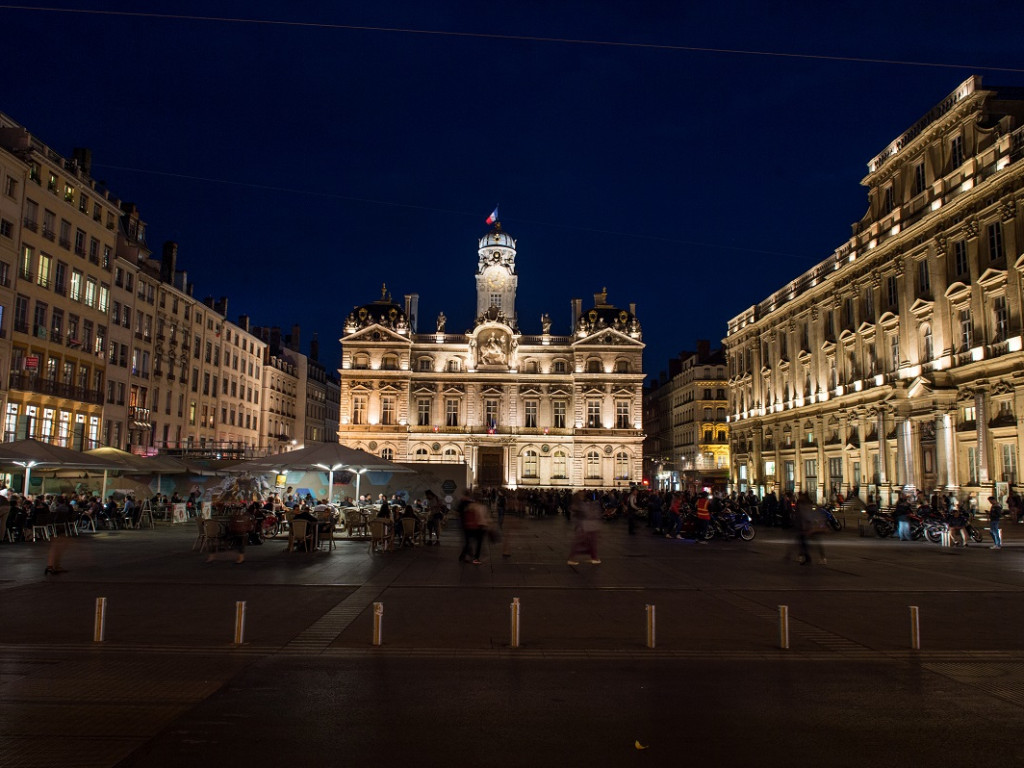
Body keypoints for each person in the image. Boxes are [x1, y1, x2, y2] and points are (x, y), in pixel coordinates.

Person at [567, 491, 601, 565]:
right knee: (585, 543)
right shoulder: (579, 505)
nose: (583, 496)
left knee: (589, 543)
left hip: (586, 526)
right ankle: (572, 558)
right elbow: (587, 514)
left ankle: (594, 557)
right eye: (582, 495)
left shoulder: (579, 504)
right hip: (585, 527)